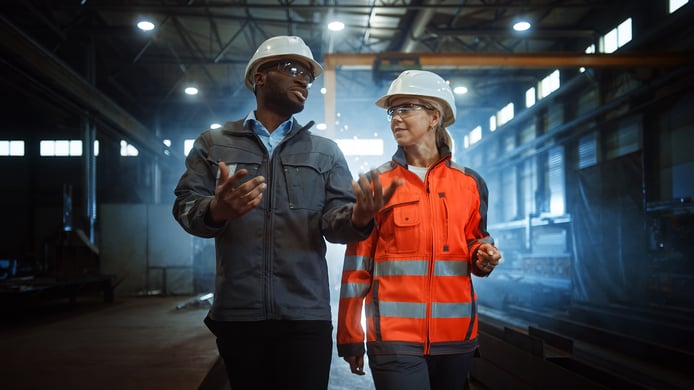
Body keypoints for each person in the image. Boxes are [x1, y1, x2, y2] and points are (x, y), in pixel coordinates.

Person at [172, 35, 399, 390]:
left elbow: (334, 221)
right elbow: (185, 206)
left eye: (308, 75)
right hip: (239, 314)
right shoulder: (215, 143)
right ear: (260, 76)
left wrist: (359, 218)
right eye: (293, 69)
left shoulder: (324, 152)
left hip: (305, 316)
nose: (303, 81)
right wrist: (216, 210)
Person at [336, 70, 503, 390]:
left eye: (406, 108)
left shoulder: (470, 183)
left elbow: (476, 239)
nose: (395, 119)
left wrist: (483, 254)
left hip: (457, 338)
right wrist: (349, 336)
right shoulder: (377, 183)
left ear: (434, 116)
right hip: (394, 338)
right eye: (392, 111)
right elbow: (357, 265)